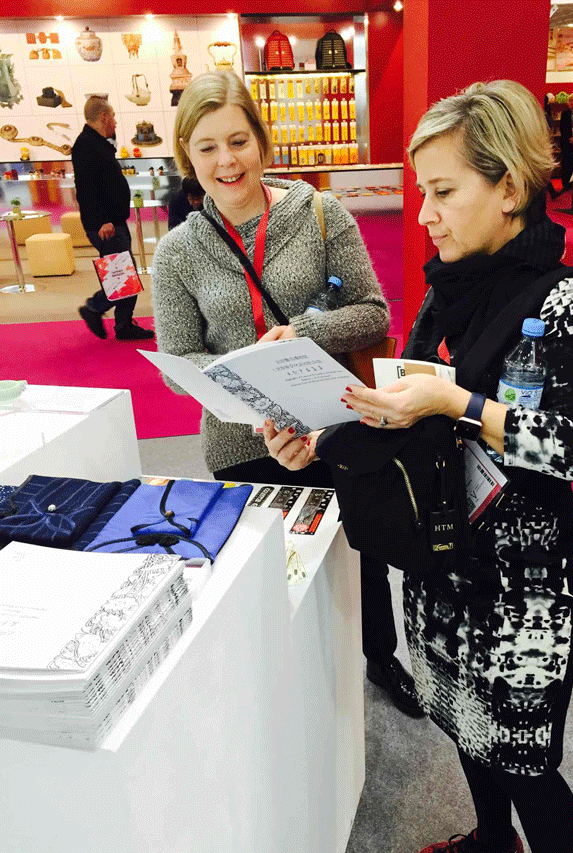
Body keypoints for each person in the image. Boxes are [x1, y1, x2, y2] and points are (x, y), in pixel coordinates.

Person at [263, 80, 573, 853]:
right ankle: (494, 844)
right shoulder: (445, 292)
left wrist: (458, 403)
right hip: (438, 560)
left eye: (443, 191)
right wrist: (322, 441)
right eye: (421, 190)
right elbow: (405, 419)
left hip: (525, 585)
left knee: (525, 757)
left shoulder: (568, 301)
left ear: (509, 186)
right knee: (462, 720)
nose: (423, 214)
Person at [152, 71, 422, 719]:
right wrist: (250, 385)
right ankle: (292, 684)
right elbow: (177, 362)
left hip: (334, 421)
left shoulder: (319, 214)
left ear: (261, 141)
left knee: (362, 551)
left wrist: (303, 332)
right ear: (188, 154)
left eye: (238, 141)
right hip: (242, 440)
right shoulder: (178, 252)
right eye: (208, 147)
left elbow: (373, 313)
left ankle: (380, 655)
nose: (226, 161)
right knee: (275, 567)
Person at [72, 97, 153, 341]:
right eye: (113, 117)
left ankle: (123, 323)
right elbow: (87, 189)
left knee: (124, 274)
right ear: (104, 117)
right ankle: (95, 308)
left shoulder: (97, 143)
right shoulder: (87, 145)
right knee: (124, 276)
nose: (115, 122)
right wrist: (103, 221)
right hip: (106, 225)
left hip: (114, 221)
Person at [558, 93, 573, 193]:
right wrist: (569, 138)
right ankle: (566, 184)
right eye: (570, 100)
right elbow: (562, 128)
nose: (572, 103)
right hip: (566, 142)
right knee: (566, 163)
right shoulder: (564, 114)